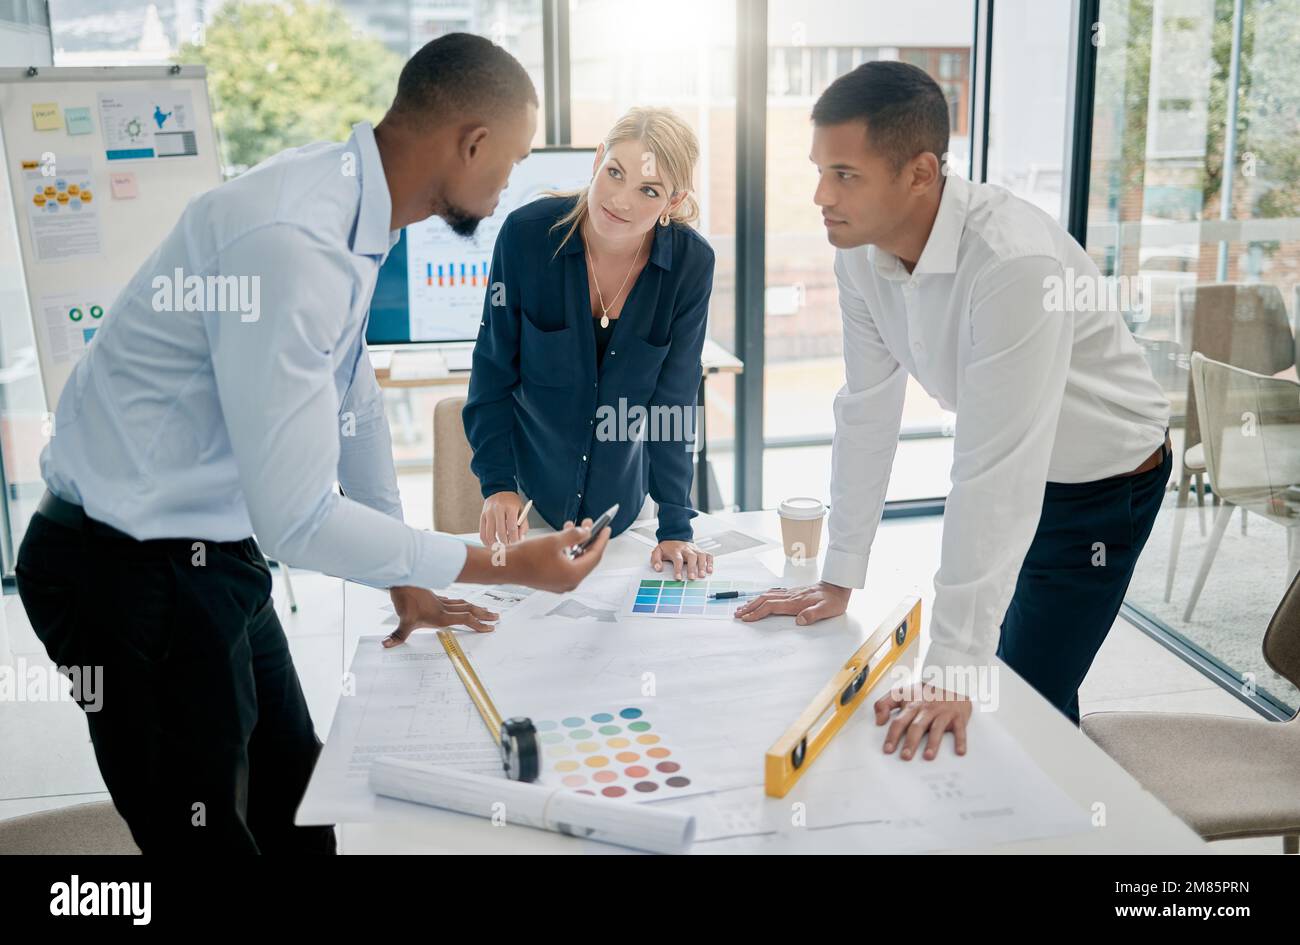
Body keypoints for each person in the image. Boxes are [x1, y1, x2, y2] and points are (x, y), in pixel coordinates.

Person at [15, 33, 609, 854]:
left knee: (299, 803)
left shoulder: (350, 206)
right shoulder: (294, 242)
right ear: (471, 142)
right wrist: (502, 562)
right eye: (508, 162)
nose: (509, 185)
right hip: (121, 571)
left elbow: (351, 398)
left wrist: (406, 575)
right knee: (202, 835)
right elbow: (297, 520)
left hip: (208, 555)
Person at [736, 61, 1172, 761]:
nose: (820, 195)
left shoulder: (1013, 264)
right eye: (819, 170)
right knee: (1016, 688)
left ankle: (1066, 822)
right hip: (1019, 464)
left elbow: (992, 471)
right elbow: (867, 413)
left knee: (1014, 698)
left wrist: (950, 667)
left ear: (921, 172)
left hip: (1102, 483)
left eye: (845, 174)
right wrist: (839, 572)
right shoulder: (861, 253)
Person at [463, 107, 717, 581]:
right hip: (528, 508)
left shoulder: (690, 266)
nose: (620, 200)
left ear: (673, 200)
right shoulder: (526, 237)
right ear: (598, 159)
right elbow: (492, 374)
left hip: (625, 516)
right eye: (615, 172)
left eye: (648, 190)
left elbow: (674, 400)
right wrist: (497, 485)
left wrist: (675, 525)